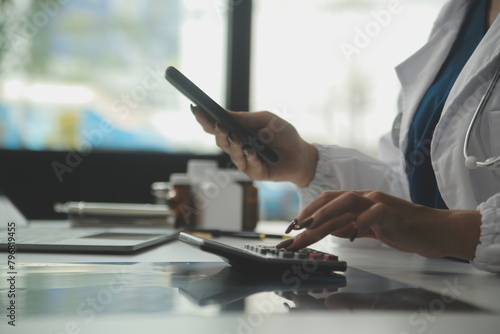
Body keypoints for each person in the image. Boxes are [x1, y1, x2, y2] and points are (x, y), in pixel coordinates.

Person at [192, 0, 500, 273]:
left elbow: (429, 222)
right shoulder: (461, 14)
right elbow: (415, 199)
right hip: (447, 292)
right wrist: (305, 163)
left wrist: (456, 231)